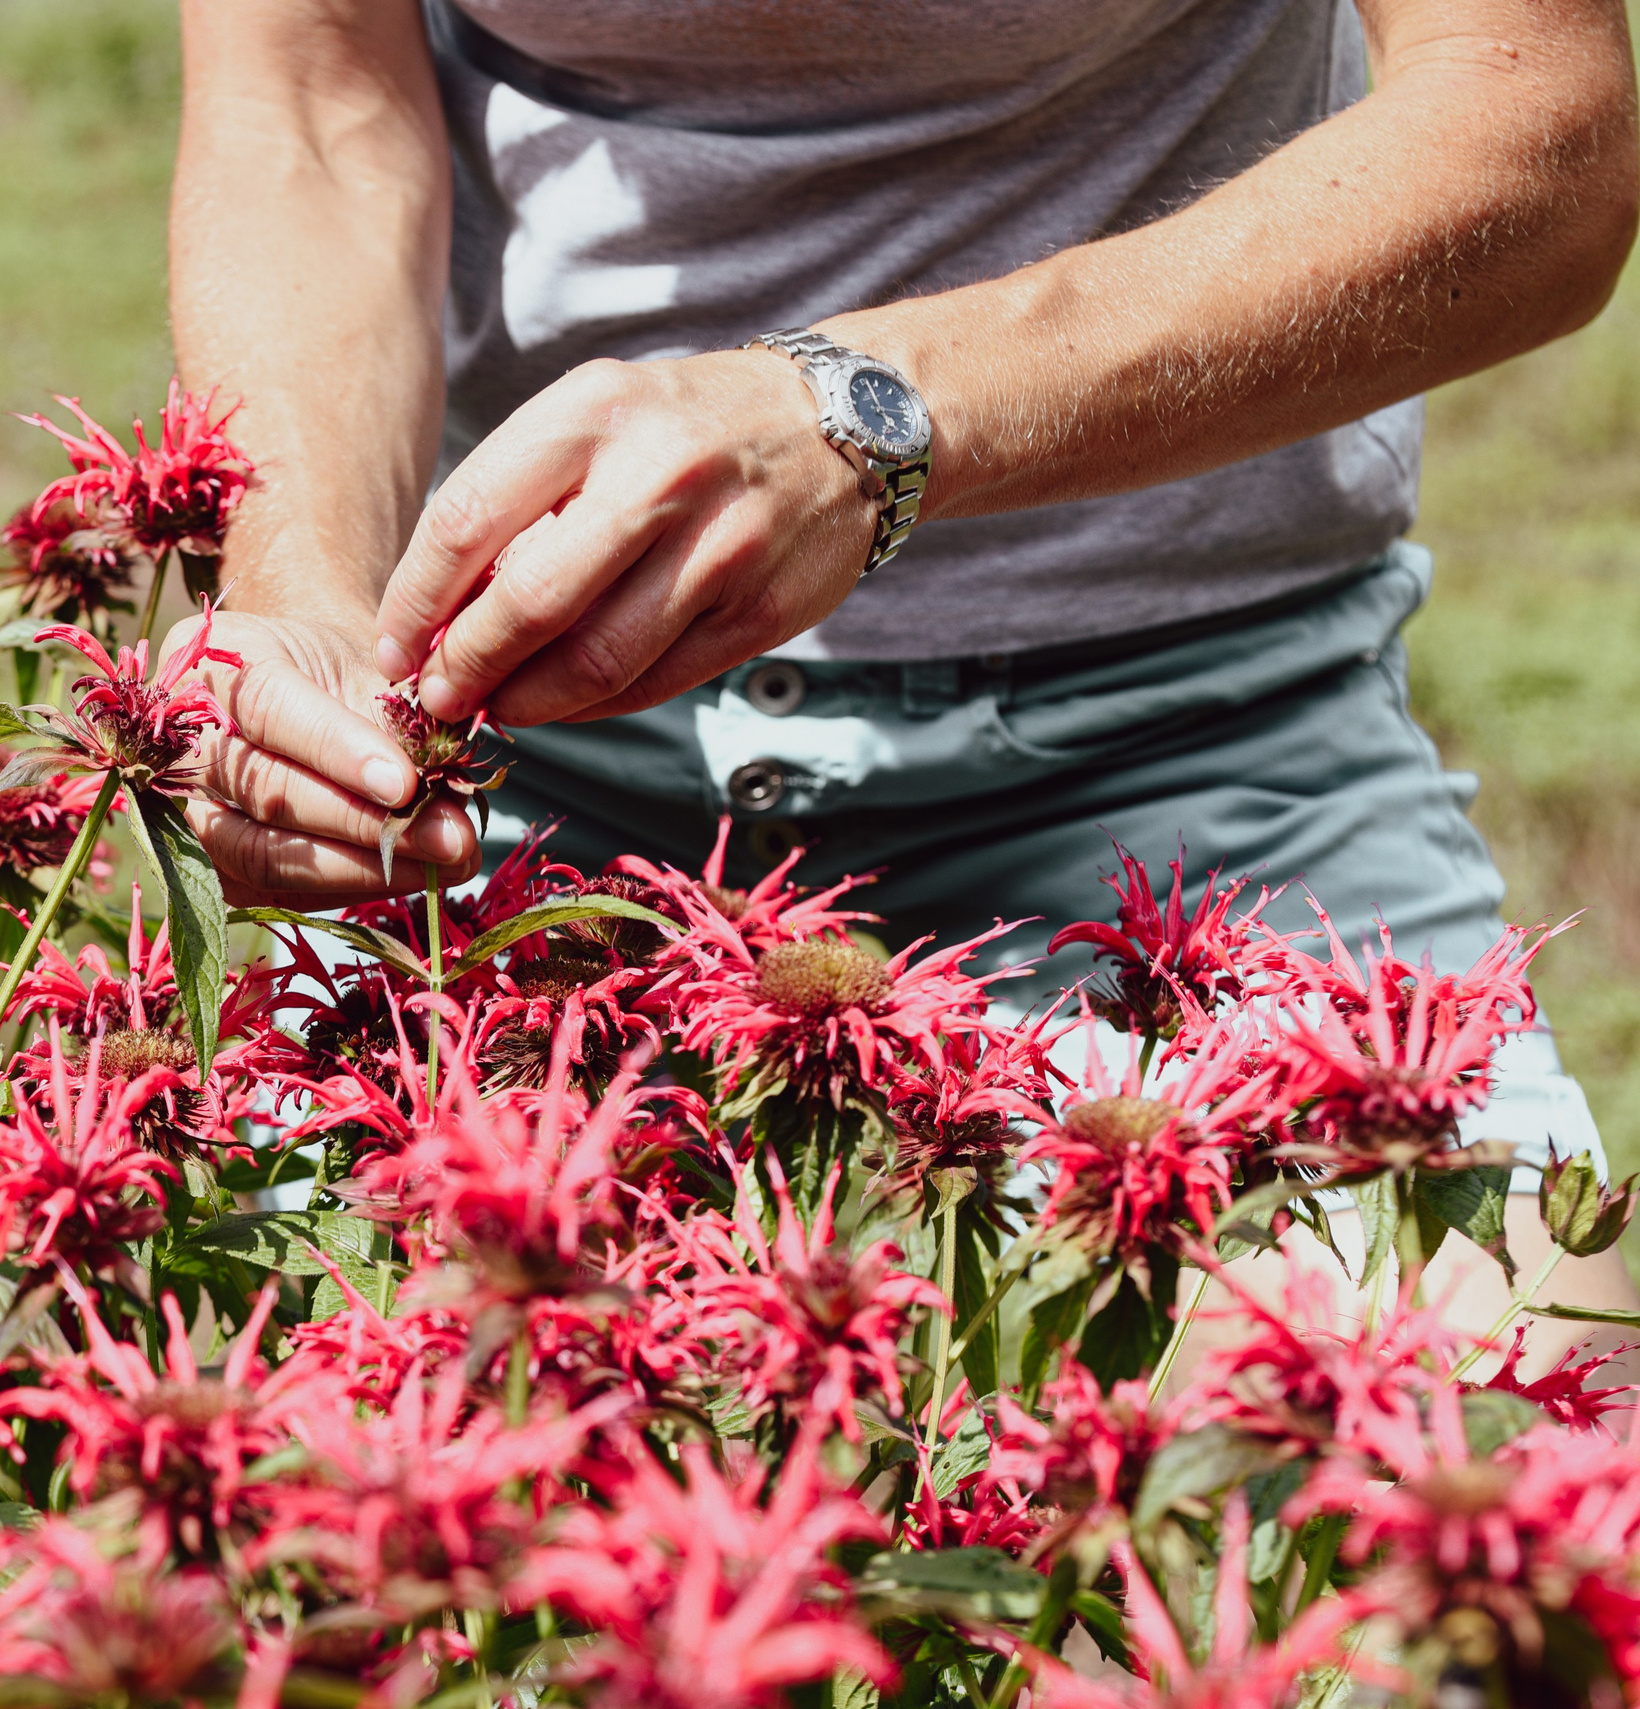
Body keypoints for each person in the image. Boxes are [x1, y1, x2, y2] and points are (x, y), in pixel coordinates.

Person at [162, 0, 1640, 1332]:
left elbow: (1539, 130)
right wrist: (301, 588)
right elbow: (305, 105)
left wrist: (870, 419)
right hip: (509, 794)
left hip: (1188, 766)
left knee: (1514, 1532)